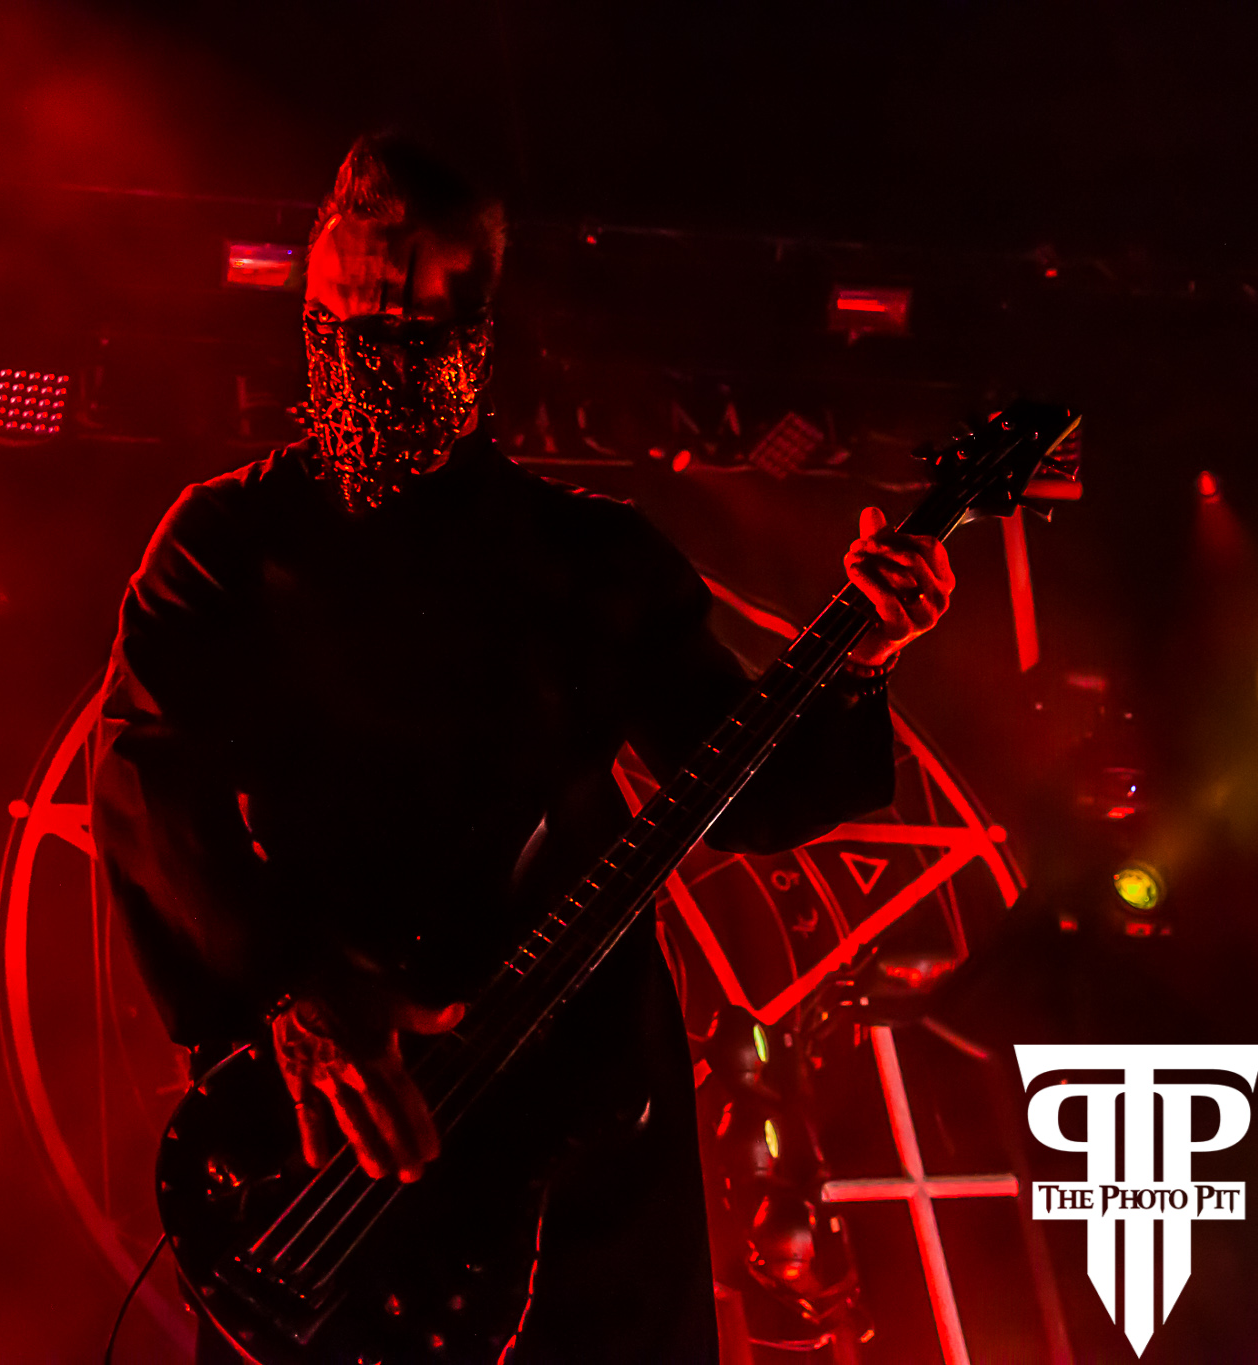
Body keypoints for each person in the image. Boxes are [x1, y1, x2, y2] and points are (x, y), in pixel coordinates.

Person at [90, 133, 954, 1363]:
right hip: (334, 1118)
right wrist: (293, 991)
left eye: (408, 331)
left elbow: (753, 793)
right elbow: (144, 779)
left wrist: (864, 659)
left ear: (475, 335)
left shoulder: (587, 558)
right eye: (342, 328)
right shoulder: (223, 543)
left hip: (577, 1121)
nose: (371, 364)